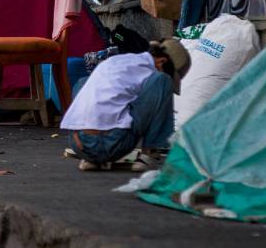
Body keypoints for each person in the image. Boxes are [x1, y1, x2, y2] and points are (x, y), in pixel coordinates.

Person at [60, 38, 190, 172]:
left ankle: (91, 159)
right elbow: (149, 106)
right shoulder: (150, 72)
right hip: (114, 144)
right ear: (162, 61)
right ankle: (149, 154)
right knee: (163, 81)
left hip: (78, 143)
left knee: (85, 82)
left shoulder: (116, 61)